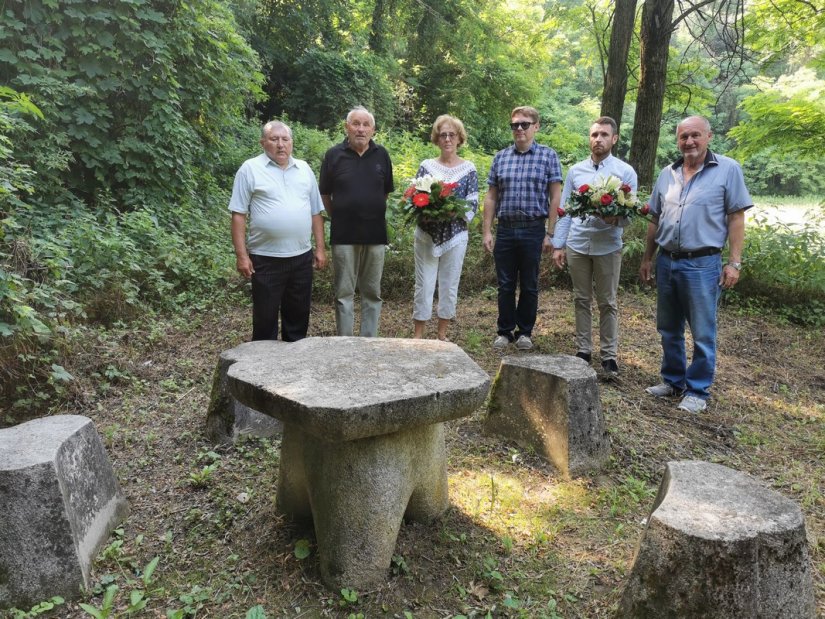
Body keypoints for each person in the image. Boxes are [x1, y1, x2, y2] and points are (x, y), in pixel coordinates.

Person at [639, 115, 752, 413]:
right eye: (683, 136)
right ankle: (674, 381)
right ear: (677, 140)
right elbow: (655, 218)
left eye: (695, 135)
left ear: (708, 136)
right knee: (668, 327)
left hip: (703, 264)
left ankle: (698, 390)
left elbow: (736, 217)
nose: (689, 141)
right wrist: (648, 258)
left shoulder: (727, 170)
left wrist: (734, 263)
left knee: (702, 330)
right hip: (667, 261)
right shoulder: (667, 173)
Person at [551, 117, 637, 375]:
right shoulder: (576, 171)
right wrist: (558, 245)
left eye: (603, 134)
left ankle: (609, 356)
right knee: (580, 298)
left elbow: (630, 214)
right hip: (578, 243)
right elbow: (564, 209)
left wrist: (615, 218)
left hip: (607, 245)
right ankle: (583, 351)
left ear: (614, 138)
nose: (597, 139)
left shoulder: (625, 172)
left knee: (607, 301)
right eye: (594, 134)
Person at [229, 120, 327, 342]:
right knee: (265, 321)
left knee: (298, 318)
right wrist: (242, 255)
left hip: (301, 257)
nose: (281, 145)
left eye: (285, 139)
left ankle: (294, 368)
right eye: (274, 139)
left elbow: (315, 212)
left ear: (292, 142)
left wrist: (320, 248)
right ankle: (261, 371)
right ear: (263, 143)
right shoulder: (250, 169)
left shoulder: (304, 169)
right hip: (265, 259)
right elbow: (238, 215)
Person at [482, 106, 562, 351]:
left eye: (524, 124)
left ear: (536, 127)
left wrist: (551, 233)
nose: (519, 129)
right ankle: (505, 331)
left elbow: (556, 196)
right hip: (505, 229)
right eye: (514, 124)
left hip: (533, 229)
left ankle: (525, 332)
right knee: (505, 284)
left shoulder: (548, 156)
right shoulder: (501, 157)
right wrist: (487, 230)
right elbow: (491, 197)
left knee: (529, 283)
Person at [319, 106, 394, 337]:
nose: (360, 129)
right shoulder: (333, 155)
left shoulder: (382, 155)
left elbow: (385, 193)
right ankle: (345, 342)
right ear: (346, 127)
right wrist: (340, 214)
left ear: (373, 129)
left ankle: (369, 341)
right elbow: (324, 194)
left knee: (372, 292)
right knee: (344, 293)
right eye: (356, 124)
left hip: (375, 235)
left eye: (365, 125)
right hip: (343, 235)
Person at [412, 115, 479, 341]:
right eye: (443, 135)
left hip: (455, 235)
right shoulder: (426, 166)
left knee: (450, 283)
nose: (448, 139)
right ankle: (419, 334)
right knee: (424, 283)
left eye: (452, 135)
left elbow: (473, 202)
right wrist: (429, 214)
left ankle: (442, 334)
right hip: (427, 234)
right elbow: (416, 196)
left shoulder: (468, 169)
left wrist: (454, 213)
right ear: (437, 139)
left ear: (459, 138)